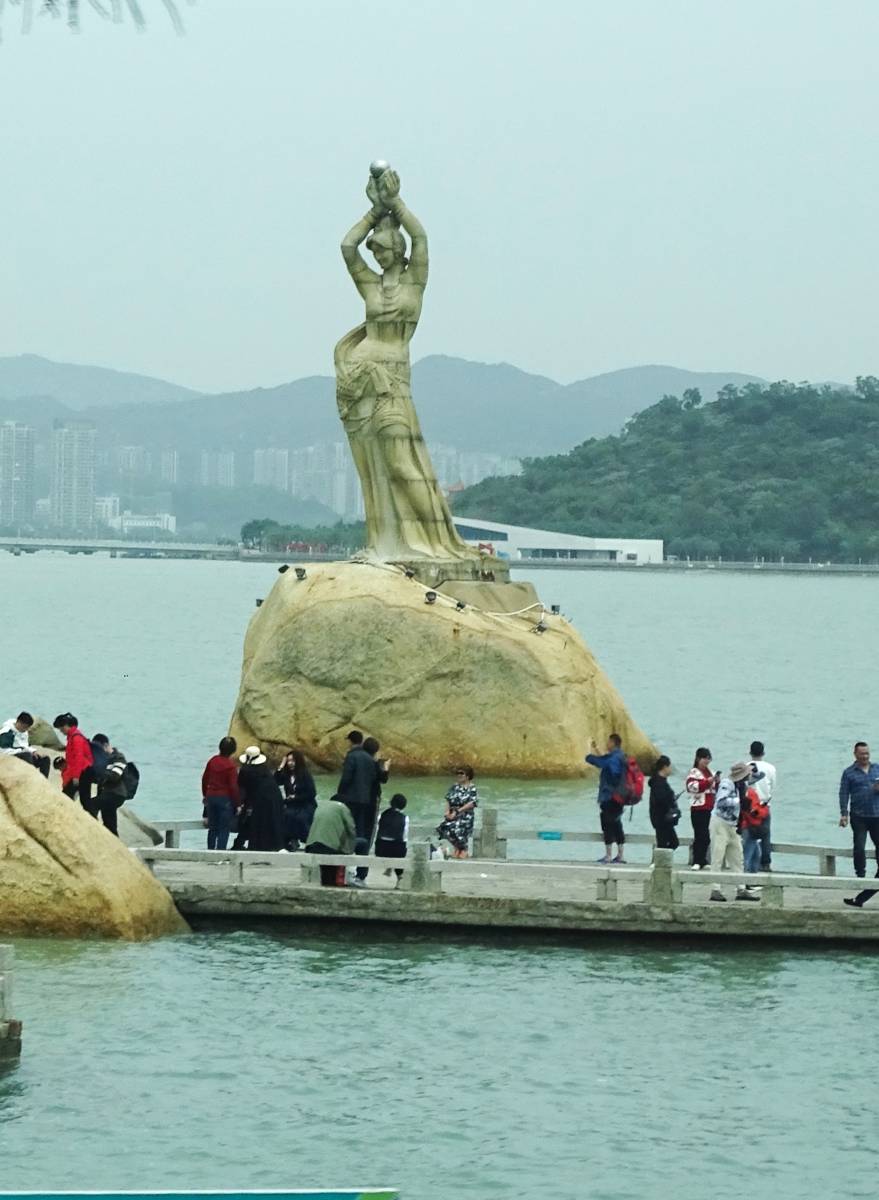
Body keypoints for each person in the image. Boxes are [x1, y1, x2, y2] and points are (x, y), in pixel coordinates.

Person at [337, 734, 390, 883]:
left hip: (351, 802)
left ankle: (343, 871)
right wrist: (385, 769)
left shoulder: (352, 757)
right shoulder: (372, 761)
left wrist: (340, 795)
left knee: (347, 834)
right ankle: (361, 874)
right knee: (365, 837)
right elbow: (381, 779)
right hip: (369, 804)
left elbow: (346, 779)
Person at [708, 762, 760, 901]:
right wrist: (739, 801)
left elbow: (758, 776)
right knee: (718, 856)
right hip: (720, 823)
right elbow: (721, 802)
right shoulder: (727, 784)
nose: (749, 775)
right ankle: (715, 889)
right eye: (747, 773)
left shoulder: (741, 785)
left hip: (732, 825)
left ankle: (741, 888)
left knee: (737, 857)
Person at [838, 741, 879, 881]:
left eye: (867, 753)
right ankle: (860, 875)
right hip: (859, 816)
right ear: (855, 754)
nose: (865, 756)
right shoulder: (849, 772)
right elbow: (844, 793)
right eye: (862, 754)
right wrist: (844, 814)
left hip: (876, 815)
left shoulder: (877, 768)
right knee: (859, 847)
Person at [585, 733, 626, 864]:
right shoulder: (621, 756)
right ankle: (620, 855)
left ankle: (608, 856)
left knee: (607, 824)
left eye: (608, 742)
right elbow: (605, 760)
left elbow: (599, 762)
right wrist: (596, 749)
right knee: (617, 824)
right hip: (620, 798)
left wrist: (588, 752)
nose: (607, 744)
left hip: (610, 797)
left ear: (613, 743)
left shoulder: (613, 758)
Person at [237, 746, 284, 852]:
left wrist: (243, 804)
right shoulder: (264, 769)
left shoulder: (245, 771)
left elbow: (244, 789)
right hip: (274, 797)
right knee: (271, 822)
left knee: (258, 823)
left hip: (259, 798)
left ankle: (256, 846)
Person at [305, 794, 357, 886]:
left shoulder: (320, 806)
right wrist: (350, 849)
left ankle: (327, 882)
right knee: (363, 844)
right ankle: (360, 877)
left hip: (311, 845)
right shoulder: (342, 807)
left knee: (326, 871)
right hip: (330, 847)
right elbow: (351, 829)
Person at [201, 736, 241, 851]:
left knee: (212, 827)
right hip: (224, 799)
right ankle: (220, 853)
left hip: (211, 796)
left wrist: (205, 795)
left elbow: (205, 779)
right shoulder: (231, 766)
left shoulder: (212, 761)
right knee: (224, 828)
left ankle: (210, 851)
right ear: (233, 750)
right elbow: (233, 787)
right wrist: (238, 804)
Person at [275, 749, 317, 851]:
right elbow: (275, 781)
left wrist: (296, 797)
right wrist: (281, 765)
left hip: (305, 804)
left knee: (300, 817)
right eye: (288, 761)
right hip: (291, 804)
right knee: (284, 815)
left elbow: (311, 793)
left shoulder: (305, 775)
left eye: (293, 761)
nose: (290, 763)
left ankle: (306, 841)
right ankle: (289, 841)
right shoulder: (287, 775)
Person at [744, 740, 776, 871]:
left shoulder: (746, 767)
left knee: (749, 834)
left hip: (749, 805)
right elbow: (772, 786)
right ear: (763, 753)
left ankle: (748, 862)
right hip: (764, 804)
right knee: (765, 834)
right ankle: (765, 862)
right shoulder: (771, 768)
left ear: (750, 752)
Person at [436, 766, 479, 858]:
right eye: (457, 773)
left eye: (461, 773)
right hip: (452, 814)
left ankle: (463, 849)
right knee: (444, 828)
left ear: (467, 776)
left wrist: (457, 812)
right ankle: (458, 848)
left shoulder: (472, 788)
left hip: (465, 815)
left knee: (457, 828)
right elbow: (448, 799)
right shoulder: (454, 787)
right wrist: (447, 812)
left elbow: (472, 803)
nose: (459, 775)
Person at [686, 747, 717, 870]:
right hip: (698, 807)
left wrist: (716, 781)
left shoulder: (711, 772)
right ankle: (697, 860)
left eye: (709, 759)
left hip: (710, 807)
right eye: (705, 758)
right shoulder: (694, 773)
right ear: (698, 758)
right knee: (700, 834)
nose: (707, 761)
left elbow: (715, 788)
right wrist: (707, 782)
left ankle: (703, 859)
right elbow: (692, 787)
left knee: (706, 835)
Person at [52, 713, 94, 801]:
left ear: (66, 725)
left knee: (82, 800)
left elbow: (78, 758)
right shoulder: (72, 737)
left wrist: (76, 776)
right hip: (82, 771)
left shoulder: (76, 738)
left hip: (83, 771)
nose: (61, 731)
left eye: (61, 728)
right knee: (84, 800)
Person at [0, 712, 51, 777]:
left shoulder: (23, 731)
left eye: (27, 727)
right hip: (8, 758)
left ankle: (43, 781)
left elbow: (25, 745)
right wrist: (23, 751)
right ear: (19, 723)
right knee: (27, 755)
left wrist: (33, 751)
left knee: (45, 759)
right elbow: (3, 751)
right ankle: (29, 779)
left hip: (23, 756)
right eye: (25, 727)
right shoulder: (6, 732)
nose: (26, 730)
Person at [648, 755, 680, 851]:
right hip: (661, 818)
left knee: (672, 842)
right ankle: (660, 858)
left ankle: (661, 857)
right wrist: (671, 800)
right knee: (665, 844)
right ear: (665, 767)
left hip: (664, 818)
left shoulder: (660, 781)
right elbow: (660, 799)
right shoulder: (658, 782)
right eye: (669, 767)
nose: (670, 769)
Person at [376, 793, 409, 881]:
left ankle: (389, 868)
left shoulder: (382, 815)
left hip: (380, 850)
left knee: (389, 843)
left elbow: (378, 831)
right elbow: (404, 837)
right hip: (396, 851)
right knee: (400, 846)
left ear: (391, 803)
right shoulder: (404, 818)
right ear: (404, 805)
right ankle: (399, 876)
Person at [79, 733, 112, 818]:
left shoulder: (88, 745)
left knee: (85, 789)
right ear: (105, 744)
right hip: (102, 775)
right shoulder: (107, 754)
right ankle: (94, 813)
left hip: (88, 772)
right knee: (101, 789)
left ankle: (88, 809)